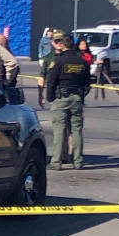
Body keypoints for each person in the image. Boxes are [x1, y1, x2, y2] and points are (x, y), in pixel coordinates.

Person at [46, 33, 91, 170]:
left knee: (59, 130)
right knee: (76, 130)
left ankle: (56, 162)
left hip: (61, 98)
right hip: (76, 97)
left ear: (64, 45)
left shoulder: (58, 61)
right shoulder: (82, 61)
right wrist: (81, 96)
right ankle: (78, 161)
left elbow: (51, 81)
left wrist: (50, 97)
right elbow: (87, 83)